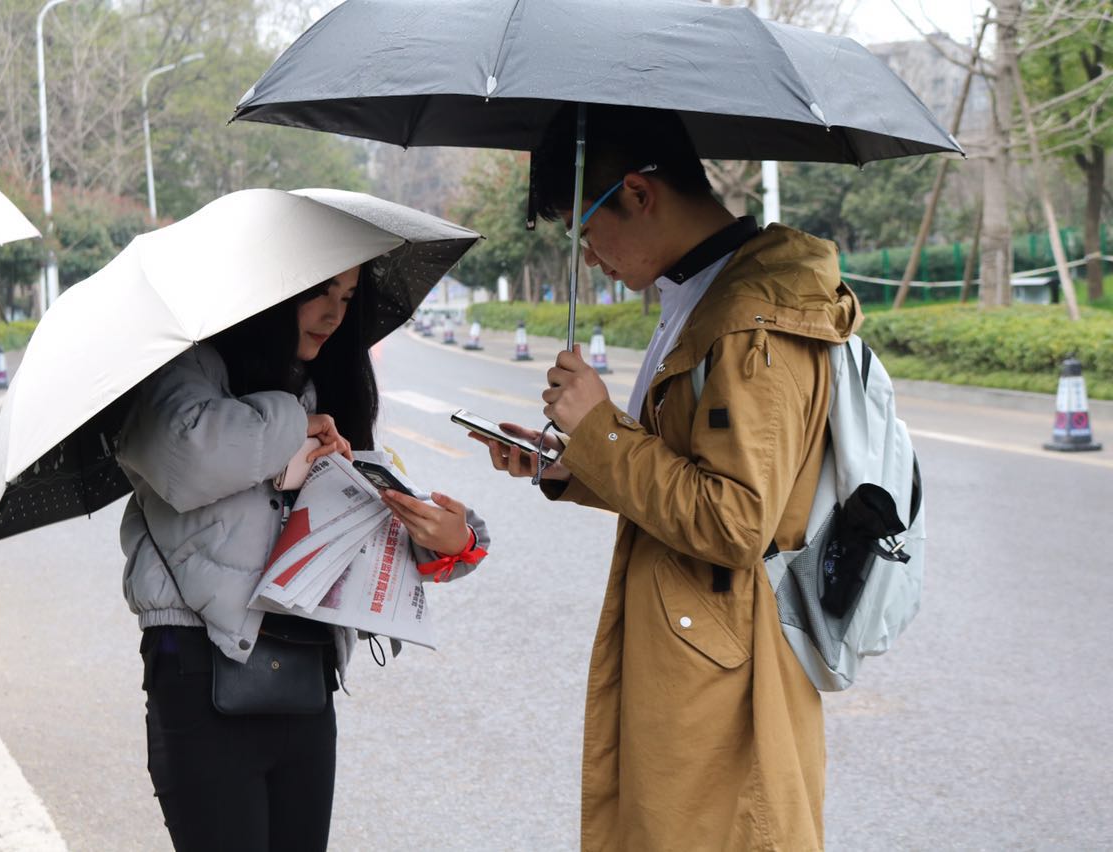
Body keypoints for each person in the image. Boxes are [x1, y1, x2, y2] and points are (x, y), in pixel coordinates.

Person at [473, 105, 860, 850]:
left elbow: (734, 521)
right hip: (693, 643)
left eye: (583, 229)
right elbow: (681, 470)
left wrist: (599, 430)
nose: (588, 258)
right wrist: (570, 462)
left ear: (638, 194)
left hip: (723, 672)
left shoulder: (751, 321)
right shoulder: (705, 294)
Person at [117, 262, 490, 852]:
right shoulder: (185, 371)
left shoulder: (322, 385)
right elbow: (188, 457)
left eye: (347, 297)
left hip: (305, 677)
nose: (335, 314)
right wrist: (296, 428)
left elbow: (366, 514)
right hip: (198, 667)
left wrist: (454, 541)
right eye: (318, 293)